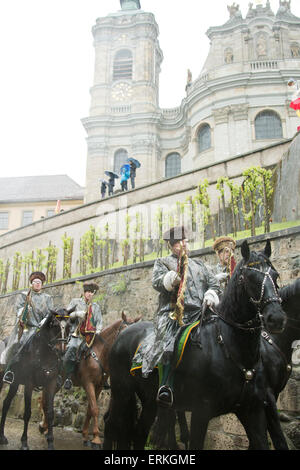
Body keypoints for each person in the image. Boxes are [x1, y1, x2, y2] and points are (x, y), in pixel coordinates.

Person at [132, 226, 220, 406]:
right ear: (173, 246)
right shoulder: (163, 263)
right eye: (181, 242)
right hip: (172, 313)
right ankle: (166, 387)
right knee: (168, 343)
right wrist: (171, 279)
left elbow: (214, 284)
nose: (185, 244)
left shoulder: (199, 265)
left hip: (201, 312)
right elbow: (157, 282)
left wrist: (211, 294)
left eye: (186, 241)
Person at [2, 272, 54, 384]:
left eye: (39, 282)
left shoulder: (48, 298)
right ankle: (9, 370)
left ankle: (54, 373)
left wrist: (44, 321)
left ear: (42, 284)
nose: (38, 284)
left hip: (41, 328)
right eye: (35, 282)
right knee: (18, 343)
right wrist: (23, 313)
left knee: (55, 345)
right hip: (26, 327)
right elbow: (19, 309)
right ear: (31, 283)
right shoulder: (24, 295)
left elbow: (50, 313)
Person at [63, 282, 103, 390]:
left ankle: (103, 377)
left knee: (103, 351)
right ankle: (68, 376)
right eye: (88, 292)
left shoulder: (96, 307)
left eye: (92, 293)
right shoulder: (75, 302)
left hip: (91, 336)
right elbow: (67, 315)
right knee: (71, 348)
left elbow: (99, 322)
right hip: (77, 334)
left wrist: (98, 331)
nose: (90, 294)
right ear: (84, 293)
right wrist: (76, 314)